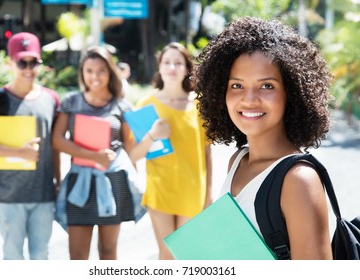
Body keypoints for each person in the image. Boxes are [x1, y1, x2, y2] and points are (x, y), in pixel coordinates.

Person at [195, 17, 333, 260]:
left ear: (292, 93)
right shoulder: (238, 160)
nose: (249, 99)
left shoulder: (299, 180)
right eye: (237, 85)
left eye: (266, 86)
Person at [0, 32, 61, 260]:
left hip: (43, 193)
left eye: (33, 62)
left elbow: (54, 147)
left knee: (41, 255)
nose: (28, 69)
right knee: (13, 256)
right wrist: (19, 153)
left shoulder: (51, 99)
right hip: (7, 195)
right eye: (22, 62)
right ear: (11, 62)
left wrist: (58, 182)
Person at [52, 46, 145, 260]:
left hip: (112, 183)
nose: (95, 76)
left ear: (110, 72)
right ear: (82, 73)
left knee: (109, 251)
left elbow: (130, 147)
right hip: (79, 181)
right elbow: (56, 140)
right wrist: (93, 156)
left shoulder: (122, 106)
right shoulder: (71, 102)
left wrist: (137, 181)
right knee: (77, 254)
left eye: (101, 70)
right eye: (89, 71)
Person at [129, 42, 213, 260]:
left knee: (185, 255)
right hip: (160, 190)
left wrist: (209, 195)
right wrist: (152, 136)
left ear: (187, 68)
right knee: (167, 255)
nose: (172, 67)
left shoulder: (198, 106)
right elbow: (133, 156)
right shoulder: (146, 104)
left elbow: (207, 153)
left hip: (193, 191)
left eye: (178, 63)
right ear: (160, 67)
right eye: (167, 62)